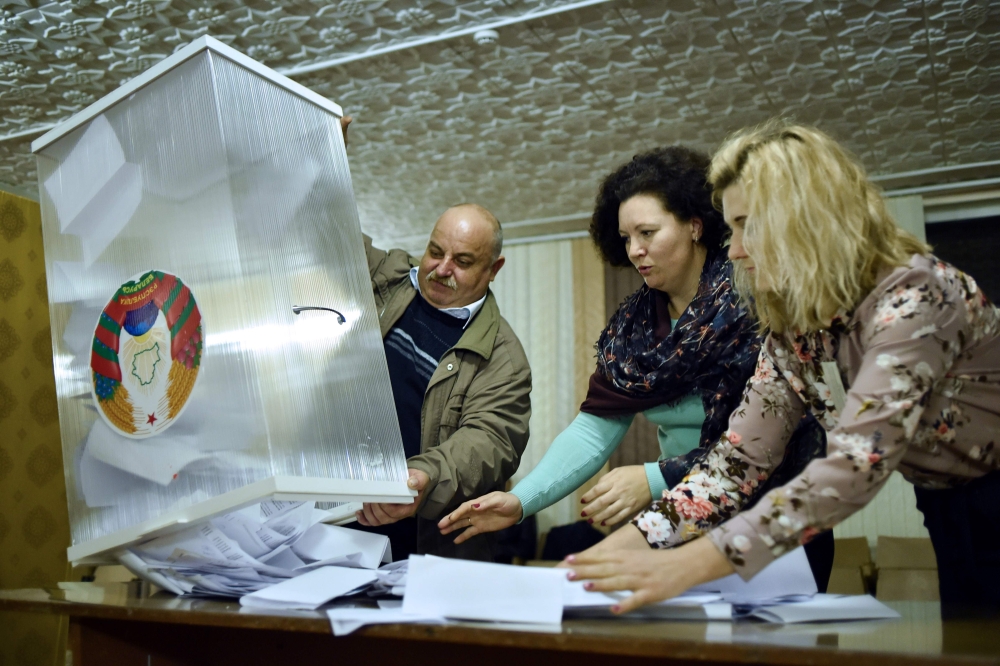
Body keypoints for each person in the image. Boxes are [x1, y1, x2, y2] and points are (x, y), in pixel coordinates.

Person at [563, 121, 1000, 616]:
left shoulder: (915, 299)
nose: (734, 248)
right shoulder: (797, 331)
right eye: (733, 227)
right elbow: (738, 464)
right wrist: (599, 560)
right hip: (945, 501)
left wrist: (686, 566)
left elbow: (854, 466)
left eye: (750, 225)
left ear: (810, 218)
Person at [438, 147, 831, 582]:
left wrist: (655, 478)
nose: (635, 250)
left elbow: (762, 442)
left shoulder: (757, 305)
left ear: (695, 226)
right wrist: (521, 500)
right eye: (626, 238)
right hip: (687, 515)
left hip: (777, 517)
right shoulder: (633, 329)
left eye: (647, 232)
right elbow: (593, 431)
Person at [355, 200, 532, 562]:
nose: (441, 269)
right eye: (435, 252)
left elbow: (490, 440)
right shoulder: (384, 278)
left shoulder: (504, 359)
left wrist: (425, 474)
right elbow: (326, 229)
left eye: (463, 262)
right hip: (333, 512)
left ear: (493, 268)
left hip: (416, 538)